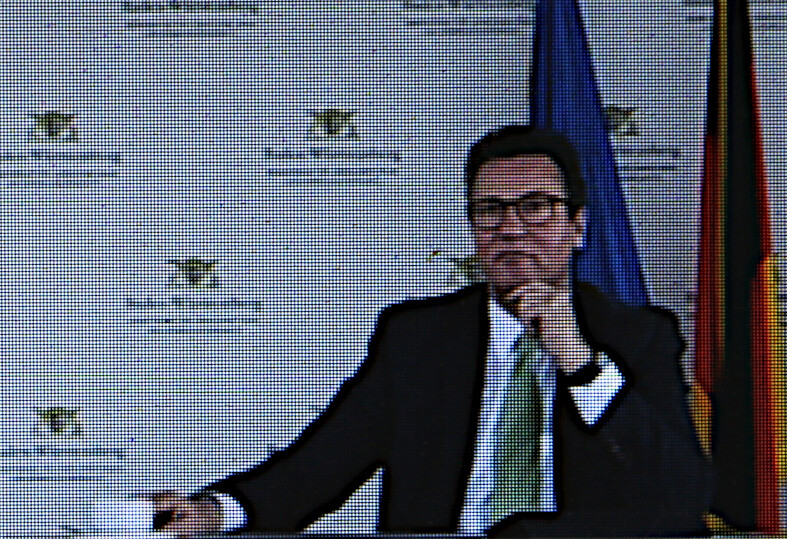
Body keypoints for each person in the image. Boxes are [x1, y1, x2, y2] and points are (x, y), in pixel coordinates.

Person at [152, 125, 712, 537]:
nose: (510, 228)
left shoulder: (639, 336)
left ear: (577, 227)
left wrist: (580, 362)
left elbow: (681, 497)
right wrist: (218, 510)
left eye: (535, 207)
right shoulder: (417, 338)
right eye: (489, 211)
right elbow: (324, 462)